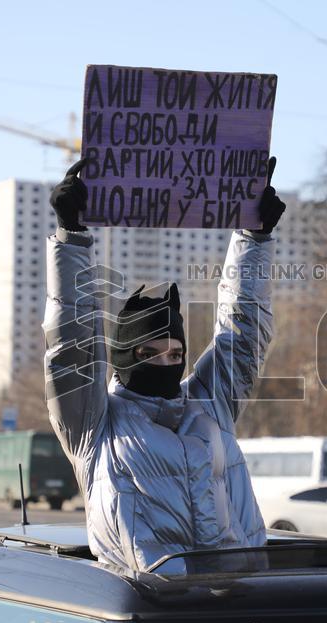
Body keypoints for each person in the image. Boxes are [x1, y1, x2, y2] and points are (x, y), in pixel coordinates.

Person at [44, 157, 286, 573]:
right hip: (148, 604)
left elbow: (242, 333)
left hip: (242, 599)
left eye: (175, 354)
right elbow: (72, 346)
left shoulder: (209, 407)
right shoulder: (95, 426)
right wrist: (71, 238)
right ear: (124, 357)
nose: (165, 363)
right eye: (148, 353)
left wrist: (254, 236)